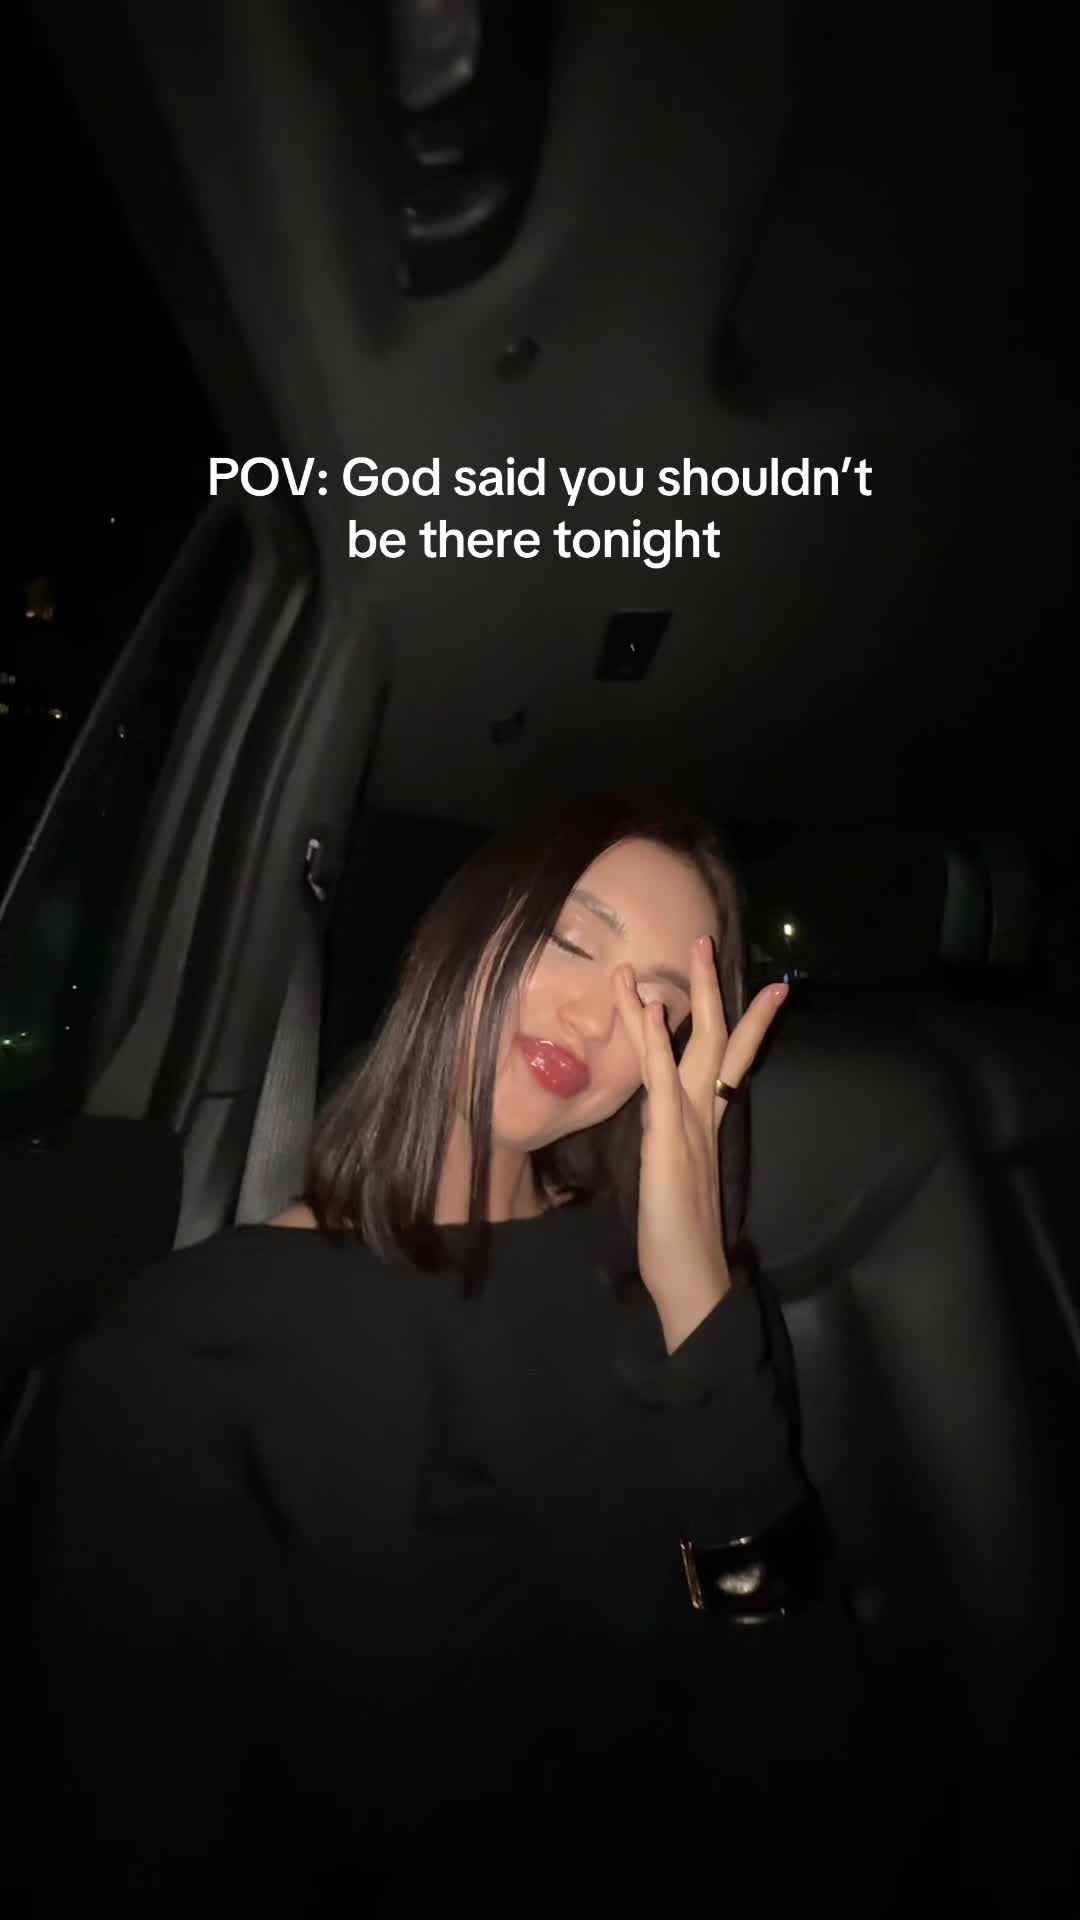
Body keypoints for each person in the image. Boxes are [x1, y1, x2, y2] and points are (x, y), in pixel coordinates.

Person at [35, 791, 885, 1900]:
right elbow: (139, 1826)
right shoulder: (191, 1343)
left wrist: (695, 1301)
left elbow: (811, 1743)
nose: (596, 1015)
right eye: (572, 941)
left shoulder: (687, 1303)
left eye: (657, 1002)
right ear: (465, 928)